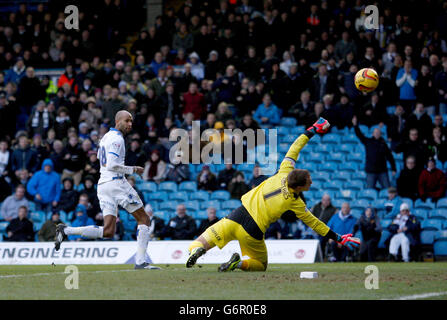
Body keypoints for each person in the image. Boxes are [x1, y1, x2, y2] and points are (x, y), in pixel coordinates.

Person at [185, 118, 360, 272]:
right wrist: (338, 238)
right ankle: (238, 264)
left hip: (236, 215)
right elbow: (316, 224)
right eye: (309, 182)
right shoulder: (295, 202)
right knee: (260, 265)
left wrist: (313, 128)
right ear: (299, 187)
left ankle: (196, 251)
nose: (311, 183)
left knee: (199, 242)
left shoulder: (284, 171)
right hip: (253, 230)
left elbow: (296, 146)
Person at [54, 110, 161, 270]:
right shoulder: (117, 139)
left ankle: (66, 230)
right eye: (127, 121)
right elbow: (111, 165)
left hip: (103, 185)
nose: (130, 124)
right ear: (118, 121)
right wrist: (134, 170)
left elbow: (99, 158)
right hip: (116, 183)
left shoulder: (105, 137)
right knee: (144, 219)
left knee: (109, 231)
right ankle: (140, 262)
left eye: (131, 121)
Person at [352, 116, 396, 189]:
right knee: (370, 190)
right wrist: (355, 125)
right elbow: (359, 135)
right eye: (375, 132)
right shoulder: (368, 141)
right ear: (373, 133)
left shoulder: (384, 144)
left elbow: (390, 156)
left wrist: (394, 168)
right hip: (371, 171)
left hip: (382, 171)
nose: (377, 134)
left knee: (387, 189)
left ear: (380, 134)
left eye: (378, 133)